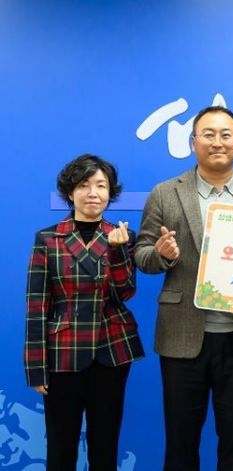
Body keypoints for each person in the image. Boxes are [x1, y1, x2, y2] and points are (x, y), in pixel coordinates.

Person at [135, 105, 233, 471]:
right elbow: (141, 254)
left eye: (226, 135)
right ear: (193, 142)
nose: (218, 142)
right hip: (182, 335)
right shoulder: (165, 192)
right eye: (209, 134)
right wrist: (162, 255)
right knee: (181, 441)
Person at [25, 154, 144, 471]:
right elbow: (36, 305)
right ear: (70, 192)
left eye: (101, 185)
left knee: (105, 447)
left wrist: (118, 252)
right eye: (84, 185)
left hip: (111, 351)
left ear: (110, 192)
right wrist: (36, 367)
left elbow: (124, 293)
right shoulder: (48, 239)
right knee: (60, 448)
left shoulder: (122, 236)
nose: (93, 193)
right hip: (63, 353)